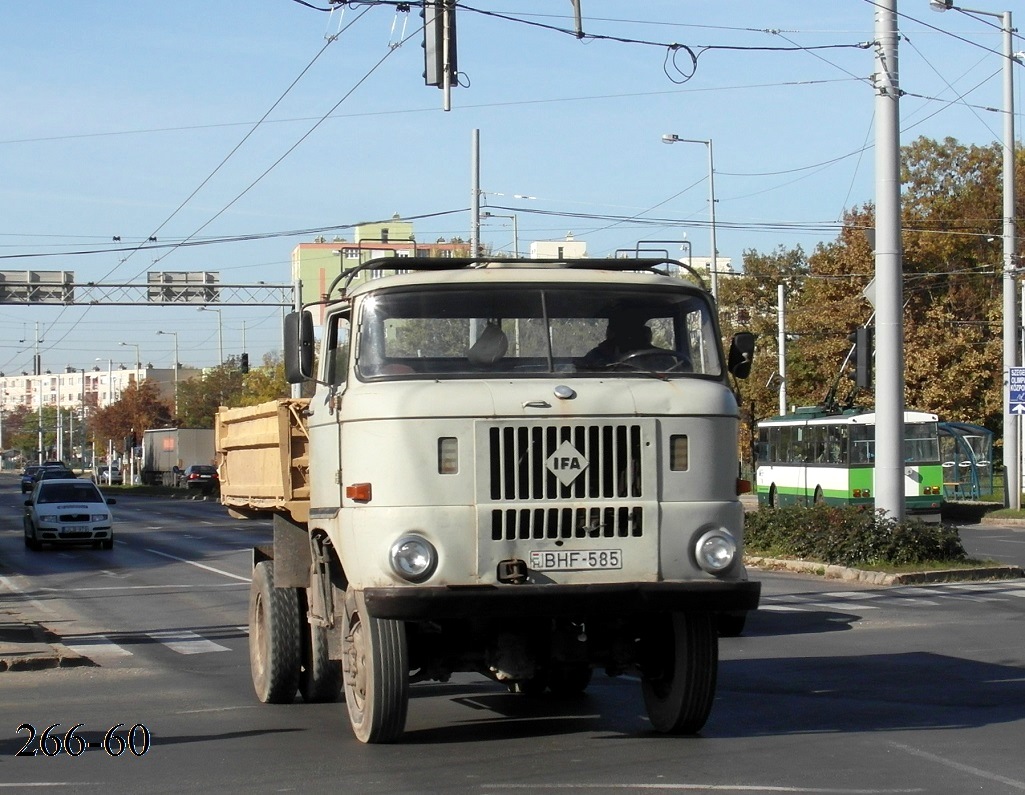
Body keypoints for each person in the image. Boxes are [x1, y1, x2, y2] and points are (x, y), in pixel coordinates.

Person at [580, 315, 655, 369]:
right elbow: (584, 370)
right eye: (623, 330)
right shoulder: (598, 355)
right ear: (611, 333)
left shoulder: (656, 355)